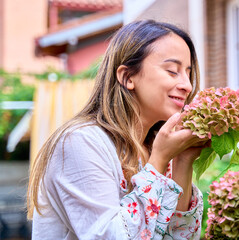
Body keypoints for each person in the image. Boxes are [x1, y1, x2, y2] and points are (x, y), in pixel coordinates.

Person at [27, 20, 208, 240]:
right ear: (127, 77)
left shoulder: (156, 147)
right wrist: (160, 159)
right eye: (172, 71)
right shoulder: (80, 143)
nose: (187, 86)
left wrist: (183, 160)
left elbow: (178, 237)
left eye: (188, 73)